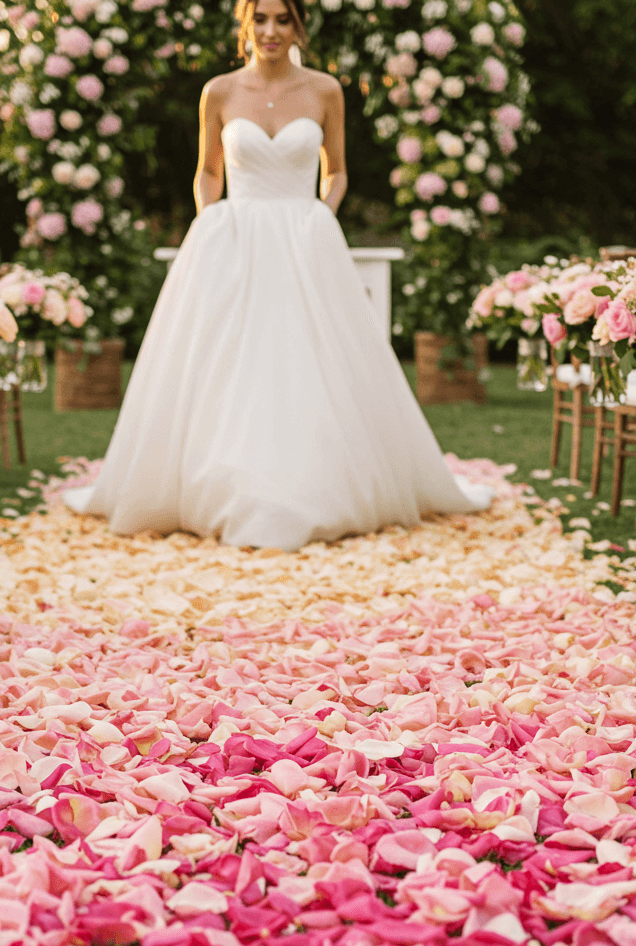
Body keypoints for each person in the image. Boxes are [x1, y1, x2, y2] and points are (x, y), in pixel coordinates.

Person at [63, 0, 493, 551]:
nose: (270, 30)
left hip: (303, 237)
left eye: (282, 19)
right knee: (225, 360)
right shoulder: (219, 91)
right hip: (235, 237)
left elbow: (335, 172)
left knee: (309, 358)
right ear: (246, 24)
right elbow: (208, 171)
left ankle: (316, 483)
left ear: (298, 26)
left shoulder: (325, 90)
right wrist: (211, 224)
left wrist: (320, 214)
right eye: (260, 18)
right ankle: (221, 481)